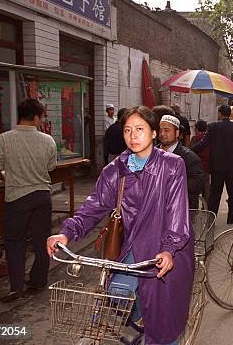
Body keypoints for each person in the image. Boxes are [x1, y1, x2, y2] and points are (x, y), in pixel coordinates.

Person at [46, 106, 194, 345]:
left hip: (167, 246)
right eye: (127, 130)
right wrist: (66, 232)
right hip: (133, 245)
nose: (133, 136)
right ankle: (141, 317)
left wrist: (170, 248)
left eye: (139, 129)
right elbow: (94, 205)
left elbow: (177, 212)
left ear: (154, 133)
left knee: (164, 322)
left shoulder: (172, 165)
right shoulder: (116, 169)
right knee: (118, 293)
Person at [0, 99, 57, 303]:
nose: (42, 120)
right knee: (42, 241)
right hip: (42, 196)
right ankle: (38, 280)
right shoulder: (47, 140)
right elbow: (51, 167)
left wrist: (7, 178)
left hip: (16, 198)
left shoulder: (4, 139)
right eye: (41, 116)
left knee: (14, 242)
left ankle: (16, 287)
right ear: (35, 117)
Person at [191, 105, 233, 224]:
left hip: (217, 167)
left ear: (220, 114)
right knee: (232, 193)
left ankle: (211, 219)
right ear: (229, 114)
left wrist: (190, 150)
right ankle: (231, 217)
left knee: (215, 194)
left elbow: (204, 143)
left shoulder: (213, 127)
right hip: (232, 167)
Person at [159, 114, 205, 209]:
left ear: (177, 133)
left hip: (181, 210)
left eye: (166, 130)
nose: (162, 134)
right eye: (160, 130)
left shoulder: (189, 157)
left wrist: (171, 183)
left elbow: (198, 183)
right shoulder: (152, 154)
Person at [190, 119, 211, 202]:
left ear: (197, 128)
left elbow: (190, 152)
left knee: (195, 188)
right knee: (206, 189)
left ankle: (195, 206)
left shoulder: (195, 138)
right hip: (206, 166)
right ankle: (206, 208)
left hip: (196, 167)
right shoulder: (209, 138)